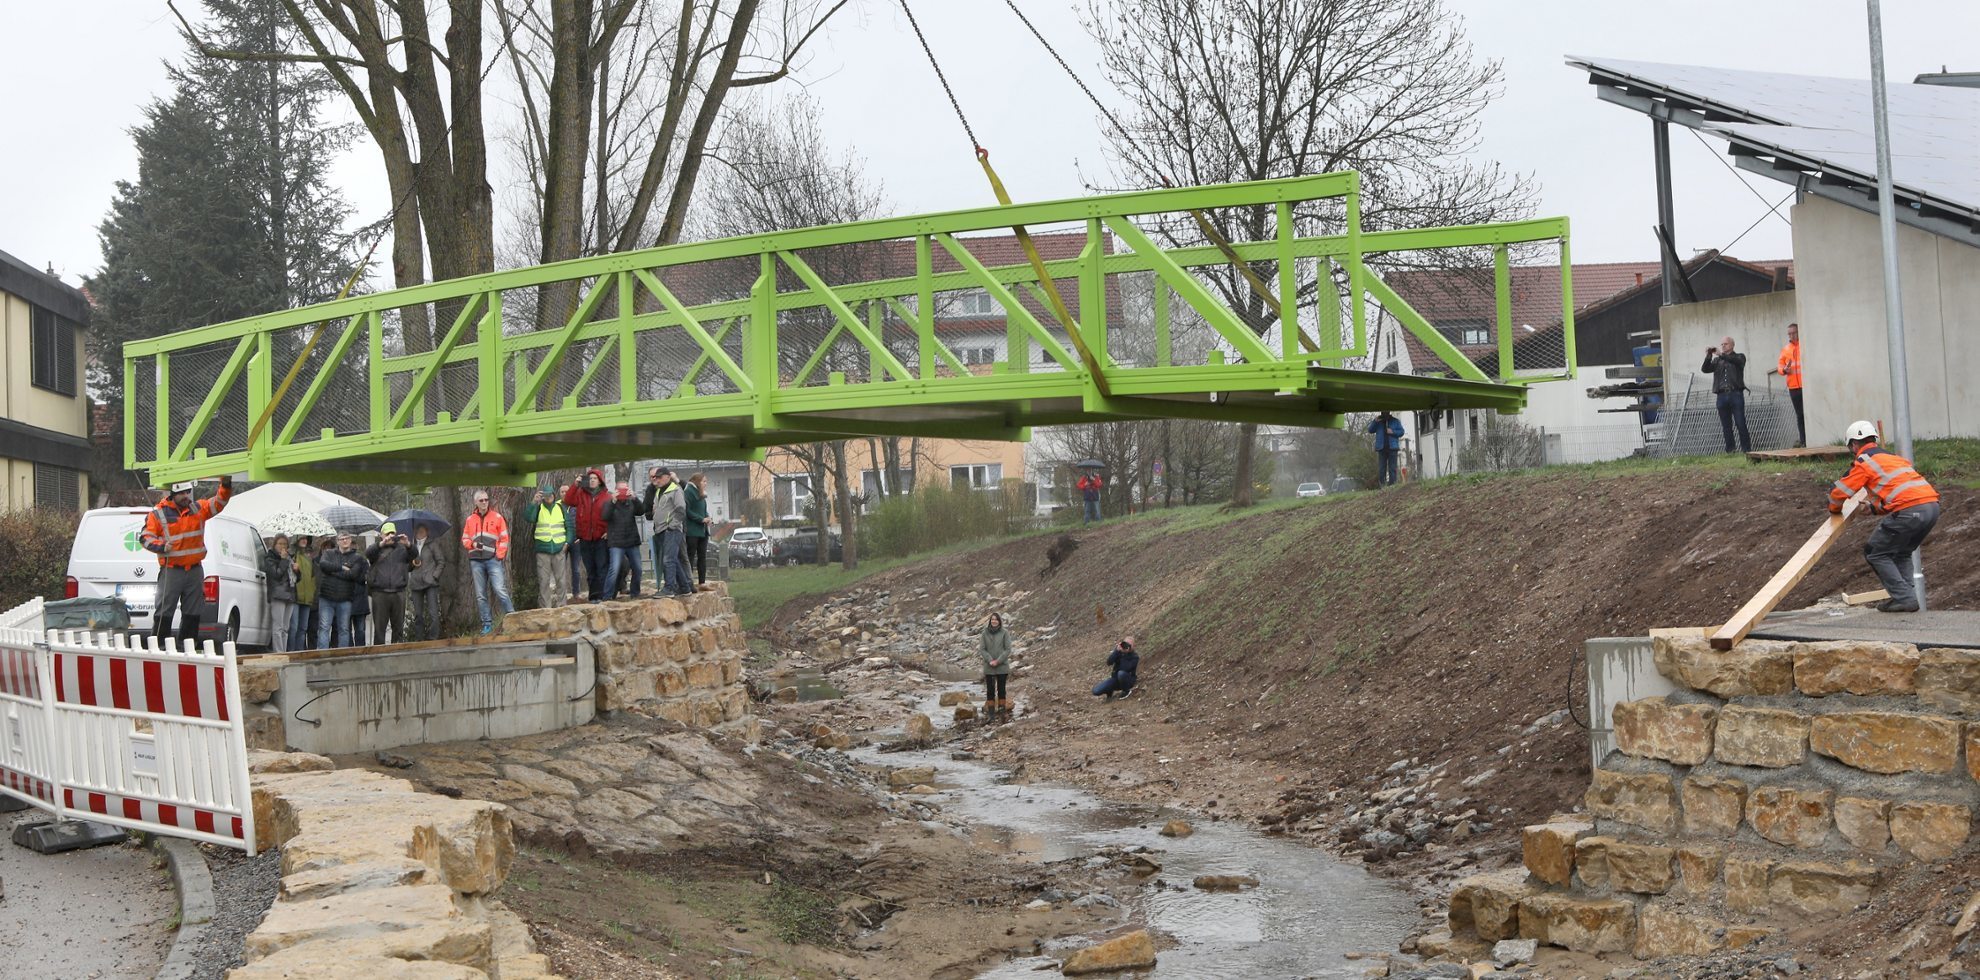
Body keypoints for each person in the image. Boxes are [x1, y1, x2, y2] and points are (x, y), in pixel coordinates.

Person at [1830, 421, 1941, 613]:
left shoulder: (1864, 461)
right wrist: (1873, 509)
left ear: (1854, 445)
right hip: (1931, 508)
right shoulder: (1893, 458)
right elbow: (1900, 492)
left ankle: (1905, 598)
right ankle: (1905, 597)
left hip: (1909, 511)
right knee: (1901, 553)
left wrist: (1834, 509)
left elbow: (1838, 493)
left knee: (1875, 552)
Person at [140, 475, 233, 645]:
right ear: (172, 494)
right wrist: (161, 546)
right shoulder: (158, 514)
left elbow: (220, 501)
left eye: (188, 492)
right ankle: (160, 645)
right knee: (164, 611)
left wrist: (225, 484)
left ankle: (188, 646)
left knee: (193, 611)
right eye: (181, 493)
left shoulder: (198, 509)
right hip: (171, 570)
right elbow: (145, 537)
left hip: (195, 570)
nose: (186, 496)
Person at [463, 490, 514, 634]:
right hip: (476, 560)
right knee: (480, 594)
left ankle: (513, 616)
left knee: (499, 589)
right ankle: (486, 623)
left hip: (492, 559)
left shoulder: (497, 517)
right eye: (481, 500)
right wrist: (471, 545)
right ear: (476, 502)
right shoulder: (470, 520)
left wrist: (499, 555)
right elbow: (465, 538)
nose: (484, 502)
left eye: (486, 500)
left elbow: (504, 538)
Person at [644, 468, 694, 596]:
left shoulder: (676, 490)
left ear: (667, 477)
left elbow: (681, 509)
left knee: (668, 560)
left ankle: (669, 588)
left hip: (671, 530)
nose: (657, 480)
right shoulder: (659, 491)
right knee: (674, 560)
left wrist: (672, 525)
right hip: (660, 530)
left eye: (660, 477)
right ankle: (685, 588)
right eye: (655, 478)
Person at [564, 470, 612, 602]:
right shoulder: (580, 494)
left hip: (600, 538)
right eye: (590, 478)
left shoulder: (606, 497)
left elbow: (612, 516)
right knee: (590, 569)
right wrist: (575, 485)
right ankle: (593, 595)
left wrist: (608, 532)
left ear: (600, 481)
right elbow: (568, 500)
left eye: (595, 478)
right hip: (585, 538)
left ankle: (602, 596)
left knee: (601, 567)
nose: (592, 480)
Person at [314, 533, 368, 649]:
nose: (344, 541)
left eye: (347, 538)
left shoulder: (357, 557)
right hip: (326, 597)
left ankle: (343, 656)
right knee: (324, 627)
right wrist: (342, 567)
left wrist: (332, 571)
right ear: (337, 541)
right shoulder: (328, 553)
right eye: (341, 539)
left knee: (344, 629)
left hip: (345, 598)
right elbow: (323, 565)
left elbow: (353, 575)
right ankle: (322, 656)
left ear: (350, 540)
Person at [522, 486, 570, 609]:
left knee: (561, 581)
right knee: (544, 581)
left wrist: (567, 543)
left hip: (559, 549)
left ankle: (562, 606)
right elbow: (528, 518)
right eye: (546, 495)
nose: (548, 498)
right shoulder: (538, 508)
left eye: (550, 495)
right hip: (543, 550)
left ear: (554, 496)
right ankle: (546, 608)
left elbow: (569, 526)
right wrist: (533, 502)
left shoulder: (560, 508)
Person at [1703, 336, 1752, 453]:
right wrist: (1708, 356)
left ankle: (1746, 450)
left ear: (1732, 345)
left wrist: (1721, 354)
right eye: (1722, 344)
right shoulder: (1717, 361)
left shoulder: (1739, 357)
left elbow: (1736, 361)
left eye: (1726, 344)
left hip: (1735, 394)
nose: (1723, 346)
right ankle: (1730, 449)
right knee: (1726, 425)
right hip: (1721, 395)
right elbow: (1705, 369)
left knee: (1740, 423)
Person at [366, 524, 413, 645]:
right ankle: (379, 655)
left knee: (398, 629)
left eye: (392, 533)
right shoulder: (376, 549)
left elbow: (414, 555)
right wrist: (381, 544)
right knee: (380, 629)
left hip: (398, 592)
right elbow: (368, 553)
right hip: (380, 594)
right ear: (381, 535)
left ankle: (397, 653)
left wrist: (408, 544)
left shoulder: (402, 549)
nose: (390, 536)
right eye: (387, 534)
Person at [602, 481, 648, 600]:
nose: (623, 492)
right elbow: (605, 516)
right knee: (614, 569)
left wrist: (635, 498)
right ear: (616, 490)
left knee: (637, 568)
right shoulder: (610, 503)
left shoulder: (631, 502)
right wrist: (613, 501)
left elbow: (642, 511)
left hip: (631, 540)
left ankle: (635, 593)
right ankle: (607, 596)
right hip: (616, 542)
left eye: (625, 489)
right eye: (620, 490)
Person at [1769, 322, 1806, 448]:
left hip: (1806, 387)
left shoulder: (1805, 345)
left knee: (1808, 414)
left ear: (1799, 332)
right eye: (1789, 334)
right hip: (1794, 387)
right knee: (1800, 415)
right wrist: (1784, 370)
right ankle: (1803, 441)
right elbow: (1780, 366)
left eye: (1793, 332)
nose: (1791, 335)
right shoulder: (1785, 349)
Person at [261, 534, 297, 654]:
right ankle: (279, 652)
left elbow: (295, 579)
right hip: (278, 595)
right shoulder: (269, 558)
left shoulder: (290, 558)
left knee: (286, 628)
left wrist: (297, 570)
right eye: (280, 544)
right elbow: (276, 574)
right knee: (278, 627)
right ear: (275, 544)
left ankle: (284, 652)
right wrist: (283, 560)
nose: (282, 546)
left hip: (290, 595)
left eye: (285, 544)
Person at [408, 524, 444, 641]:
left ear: (427, 531)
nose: (420, 532)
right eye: (417, 530)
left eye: (422, 530)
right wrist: (412, 564)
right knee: (418, 614)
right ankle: (419, 638)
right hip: (416, 583)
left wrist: (435, 576)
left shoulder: (432, 544)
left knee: (433, 613)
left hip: (430, 583)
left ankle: (433, 637)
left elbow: (441, 561)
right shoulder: (411, 546)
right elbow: (406, 566)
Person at [978, 613, 1014, 720]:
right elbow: (982, 649)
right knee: (990, 690)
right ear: (990, 621)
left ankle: (1002, 712)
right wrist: (990, 660)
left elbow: (1008, 649)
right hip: (989, 667)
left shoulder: (1005, 633)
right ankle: (991, 714)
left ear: (999, 621)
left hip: (1002, 666)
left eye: (996, 619)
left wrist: (998, 661)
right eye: (992, 619)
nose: (994, 621)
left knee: (1001, 690)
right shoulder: (984, 633)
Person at [683, 472, 712, 588]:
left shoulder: (701, 493)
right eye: (704, 481)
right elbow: (687, 510)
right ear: (697, 481)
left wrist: (708, 518)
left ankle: (702, 582)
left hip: (703, 530)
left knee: (702, 556)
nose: (706, 483)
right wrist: (701, 519)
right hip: (692, 531)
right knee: (690, 556)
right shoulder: (688, 491)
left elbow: (703, 509)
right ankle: (689, 582)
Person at [291, 534, 317, 651]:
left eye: (306, 538)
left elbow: (311, 578)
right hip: (296, 596)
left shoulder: (308, 558)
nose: (304, 541)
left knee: (303, 628)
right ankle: (292, 651)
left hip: (307, 598)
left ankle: (299, 652)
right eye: (301, 538)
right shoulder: (292, 555)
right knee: (294, 627)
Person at [558, 483, 582, 603]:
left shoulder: (577, 505)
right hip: (562, 542)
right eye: (562, 492)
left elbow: (583, 520)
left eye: (566, 491)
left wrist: (581, 536)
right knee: (560, 569)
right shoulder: (557, 506)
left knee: (576, 569)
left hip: (576, 541)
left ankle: (576, 593)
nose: (564, 493)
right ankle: (561, 595)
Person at [1367, 411, 1405, 487]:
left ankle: (1393, 486)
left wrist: (1392, 432)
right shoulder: (1378, 421)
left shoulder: (1395, 421)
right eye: (1383, 412)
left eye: (1386, 412)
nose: (1384, 414)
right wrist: (1375, 421)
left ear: (1389, 412)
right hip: (1381, 448)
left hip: (1392, 447)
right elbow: (1370, 430)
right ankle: (1382, 487)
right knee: (1382, 469)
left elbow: (1401, 432)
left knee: (1392, 468)